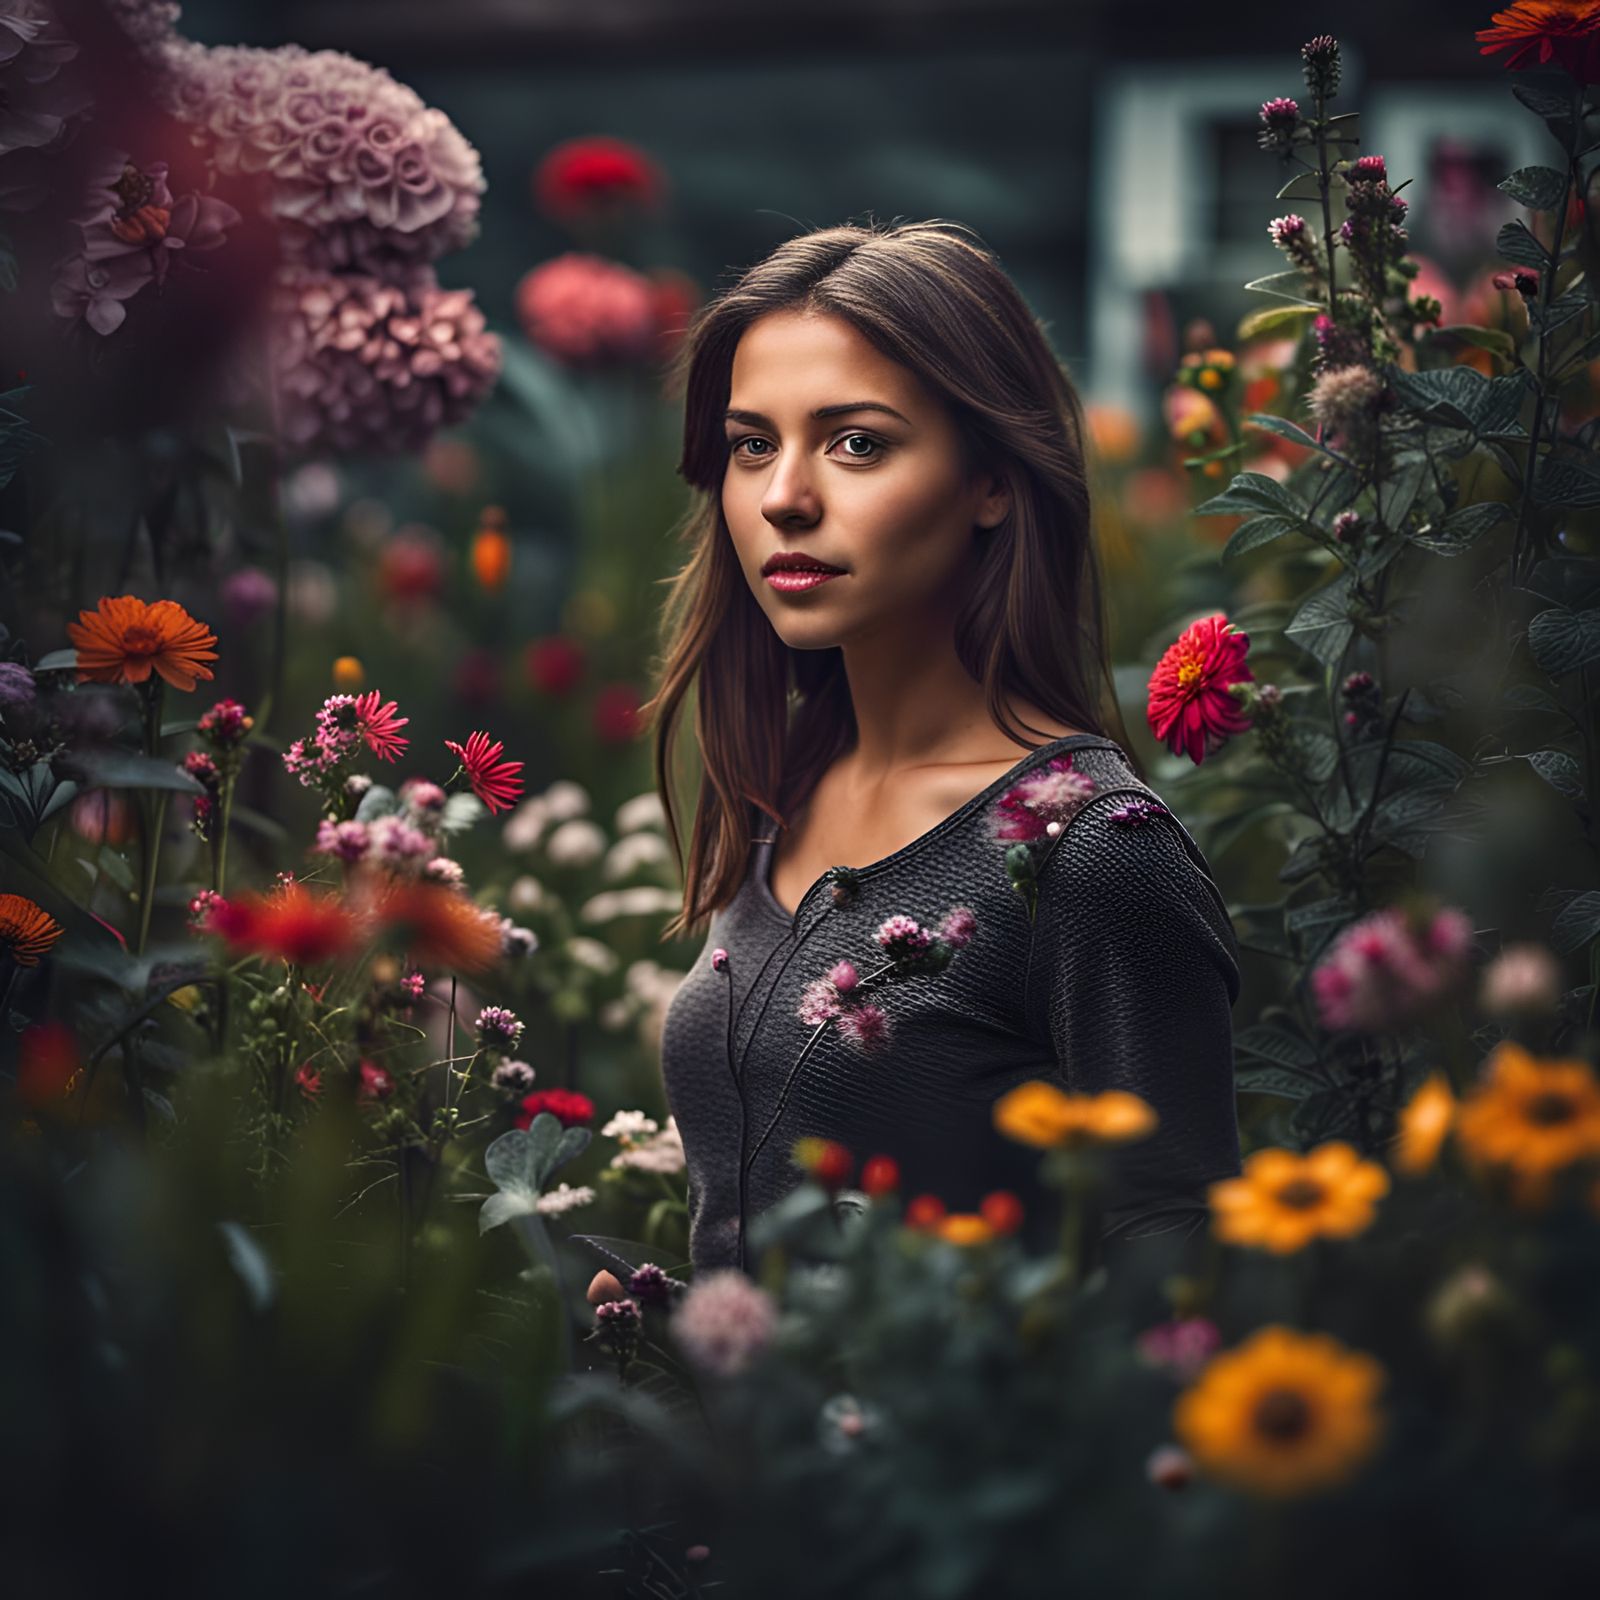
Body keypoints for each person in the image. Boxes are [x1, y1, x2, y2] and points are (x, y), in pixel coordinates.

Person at [585, 217, 1240, 1299]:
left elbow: (1173, 1301)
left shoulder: (1094, 856)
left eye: (856, 443)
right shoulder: (784, 785)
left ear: (991, 480)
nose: (783, 496)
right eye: (753, 444)